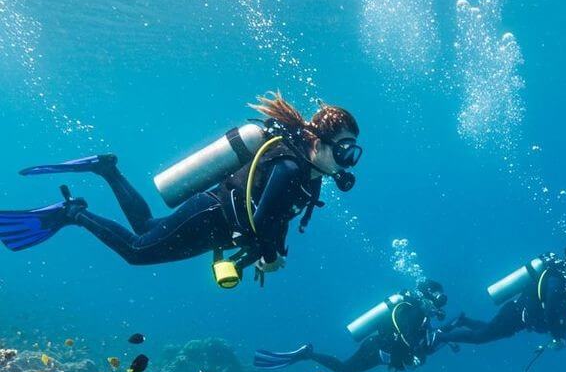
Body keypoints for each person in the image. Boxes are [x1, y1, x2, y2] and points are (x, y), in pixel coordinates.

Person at [0, 94, 361, 287]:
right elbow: (265, 216)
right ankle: (72, 213)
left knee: (145, 227)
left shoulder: (309, 173)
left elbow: (275, 215)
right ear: (320, 141)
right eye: (344, 150)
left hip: (214, 219)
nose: (347, 160)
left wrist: (273, 250)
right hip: (211, 216)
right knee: (137, 251)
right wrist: (268, 255)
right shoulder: (291, 165)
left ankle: (107, 169)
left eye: (352, 152)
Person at [255, 280, 448, 372]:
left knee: (344, 370)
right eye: (438, 298)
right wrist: (412, 354)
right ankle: (307, 353)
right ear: (428, 295)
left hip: (379, 350)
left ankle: (307, 354)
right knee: (344, 369)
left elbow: (401, 348)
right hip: (375, 348)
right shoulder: (412, 310)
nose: (439, 305)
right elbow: (402, 337)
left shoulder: (421, 316)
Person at [439, 239, 566, 355]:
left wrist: (561, 335)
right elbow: (551, 310)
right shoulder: (558, 281)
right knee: (479, 337)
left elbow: (560, 313)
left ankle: (462, 320)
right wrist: (558, 336)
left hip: (516, 316)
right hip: (514, 316)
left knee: (487, 330)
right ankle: (440, 337)